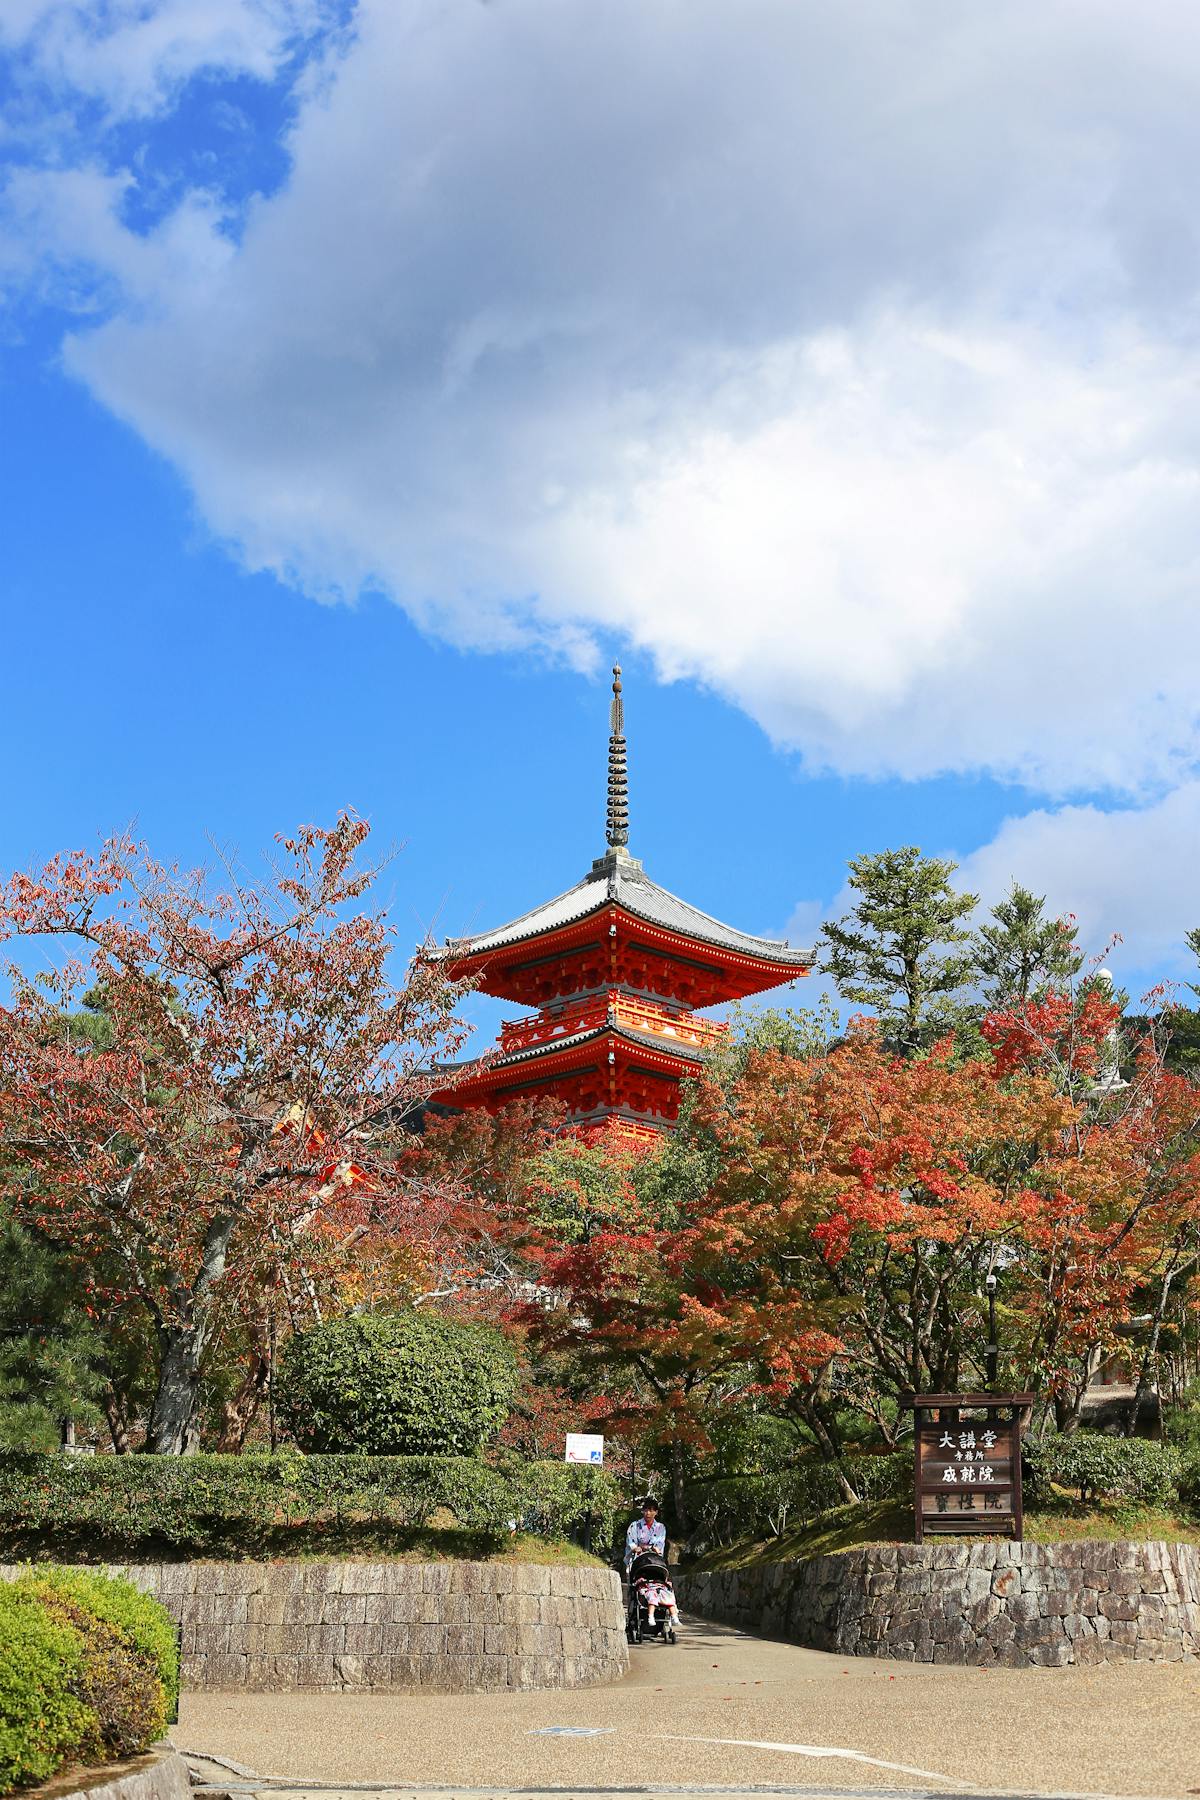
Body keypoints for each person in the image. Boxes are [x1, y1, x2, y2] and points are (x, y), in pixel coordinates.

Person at [624, 1494, 666, 1571]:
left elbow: (659, 1545)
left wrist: (650, 1548)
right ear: (643, 1511)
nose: (648, 1513)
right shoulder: (634, 1525)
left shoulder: (661, 1527)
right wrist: (636, 1548)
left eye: (651, 1511)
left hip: (654, 1560)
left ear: (656, 1512)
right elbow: (631, 1542)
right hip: (638, 1559)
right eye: (646, 1510)